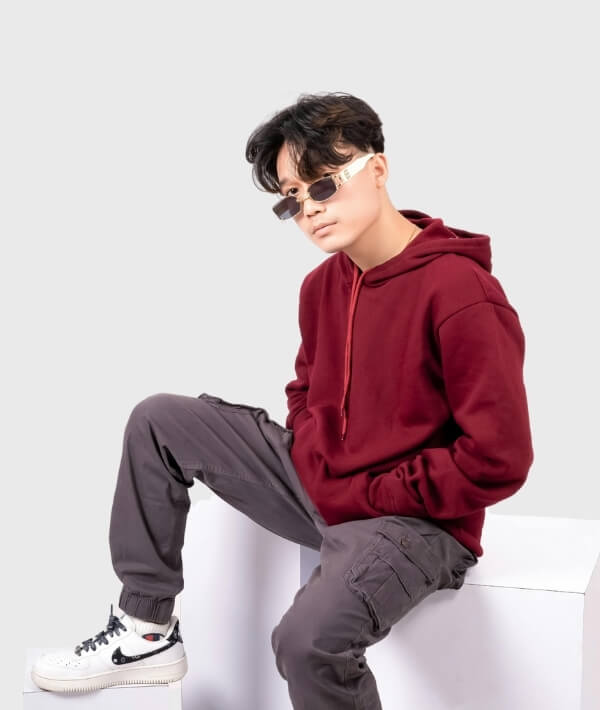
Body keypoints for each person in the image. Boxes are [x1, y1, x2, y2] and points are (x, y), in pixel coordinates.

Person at [32, 91, 534, 707]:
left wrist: (374, 493)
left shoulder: (461, 292)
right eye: (292, 198)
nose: (309, 209)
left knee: (306, 642)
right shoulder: (320, 287)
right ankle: (146, 629)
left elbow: (499, 458)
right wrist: (317, 454)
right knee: (158, 419)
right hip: (324, 487)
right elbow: (305, 390)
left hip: (416, 523)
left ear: (378, 169)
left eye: (323, 184)